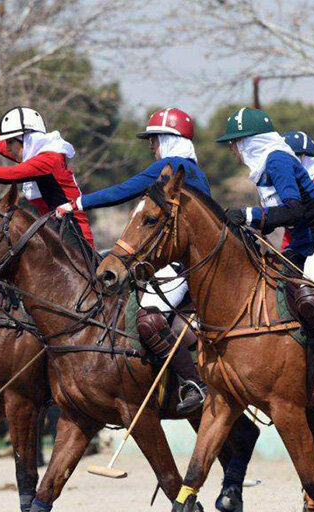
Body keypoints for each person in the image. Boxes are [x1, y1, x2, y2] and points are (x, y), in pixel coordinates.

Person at [55, 107, 208, 414]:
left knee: (149, 317)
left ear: (168, 139)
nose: (151, 147)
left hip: (180, 264)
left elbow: (125, 190)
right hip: (176, 259)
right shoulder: (192, 168)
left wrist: (77, 203)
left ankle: (193, 383)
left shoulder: (172, 166)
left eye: (154, 139)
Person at [218, 107, 314, 398]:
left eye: (235, 142)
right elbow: (276, 217)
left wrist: (250, 215)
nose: (233, 150)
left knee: (308, 296)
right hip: (303, 245)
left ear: (249, 141)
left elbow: (294, 210)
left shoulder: (277, 160)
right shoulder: (265, 168)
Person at [0, 100, 94, 247]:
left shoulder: (49, 160)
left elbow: (10, 174)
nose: (7, 148)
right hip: (53, 233)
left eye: (10, 142)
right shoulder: (34, 153)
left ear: (27, 139)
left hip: (75, 237)